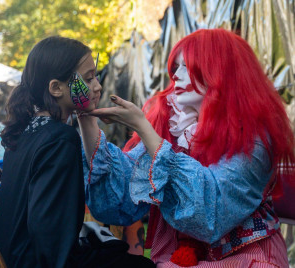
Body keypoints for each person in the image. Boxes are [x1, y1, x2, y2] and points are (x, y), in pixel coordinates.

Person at [78, 29, 295, 267]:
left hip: (247, 259)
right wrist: (86, 118)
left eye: (187, 66)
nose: (176, 75)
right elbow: (122, 200)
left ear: (218, 71)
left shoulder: (253, 136)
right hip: (177, 259)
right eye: (176, 67)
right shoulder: (169, 122)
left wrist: (143, 128)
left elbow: (209, 216)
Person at [0, 36, 156, 268]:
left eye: (96, 76)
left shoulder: (24, 132)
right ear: (56, 88)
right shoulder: (60, 139)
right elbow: (48, 233)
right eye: (88, 79)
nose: (98, 86)